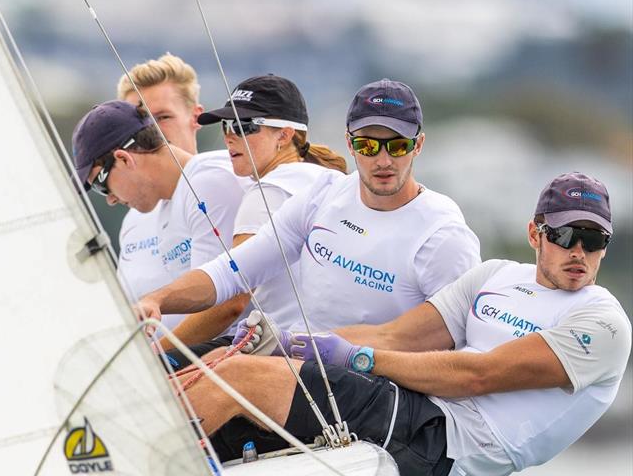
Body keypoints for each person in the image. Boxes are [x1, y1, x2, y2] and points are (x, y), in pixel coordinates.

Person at [182, 173, 631, 476]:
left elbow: (476, 376)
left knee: (240, 377)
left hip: (448, 446)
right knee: (219, 359)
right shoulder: (495, 276)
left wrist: (356, 359)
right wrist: (290, 341)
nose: (579, 252)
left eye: (594, 240)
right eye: (567, 235)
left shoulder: (602, 323)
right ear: (536, 233)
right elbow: (396, 336)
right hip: (415, 406)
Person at [136, 78, 481, 335]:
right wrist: (158, 300)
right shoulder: (322, 194)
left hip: (379, 380)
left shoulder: (443, 233)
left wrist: (351, 354)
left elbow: (456, 340)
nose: (383, 159)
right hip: (304, 363)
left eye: (398, 146)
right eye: (366, 145)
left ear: (418, 145)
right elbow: (231, 273)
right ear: (349, 143)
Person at [161, 73, 348, 356]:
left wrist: (153, 353)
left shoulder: (267, 193)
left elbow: (230, 303)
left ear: (284, 135)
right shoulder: (330, 181)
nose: (229, 136)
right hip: (332, 350)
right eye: (226, 125)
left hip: (284, 355)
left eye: (243, 126)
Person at [72, 97, 244, 338]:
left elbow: (226, 305)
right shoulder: (162, 205)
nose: (110, 200)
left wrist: (156, 362)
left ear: (124, 158)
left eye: (102, 187)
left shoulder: (208, 181)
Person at [114, 54, 204, 329]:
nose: (150, 132)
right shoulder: (133, 218)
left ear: (195, 117)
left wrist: (162, 359)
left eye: (163, 117)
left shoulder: (224, 184)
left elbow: (229, 303)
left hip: (201, 364)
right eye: (139, 122)